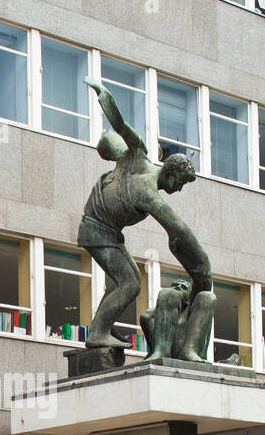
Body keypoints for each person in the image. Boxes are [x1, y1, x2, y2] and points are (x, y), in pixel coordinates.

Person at [79, 78, 214, 359]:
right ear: (173, 172)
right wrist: (106, 98)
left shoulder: (136, 163)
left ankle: (101, 326)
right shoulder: (145, 177)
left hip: (105, 230)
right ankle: (97, 333)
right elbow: (177, 228)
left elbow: (112, 141)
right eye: (181, 183)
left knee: (124, 278)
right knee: (130, 282)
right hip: (97, 228)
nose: (178, 189)